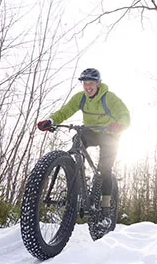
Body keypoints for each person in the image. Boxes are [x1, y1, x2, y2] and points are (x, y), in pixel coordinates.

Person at [36, 68, 130, 210]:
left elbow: (125, 114)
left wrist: (119, 125)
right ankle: (78, 175)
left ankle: (105, 206)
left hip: (110, 134)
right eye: (85, 83)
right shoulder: (80, 98)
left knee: (105, 169)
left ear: (98, 83)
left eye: (91, 83)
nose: (88, 87)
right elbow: (65, 111)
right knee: (77, 141)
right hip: (91, 131)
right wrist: (51, 121)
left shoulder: (109, 98)